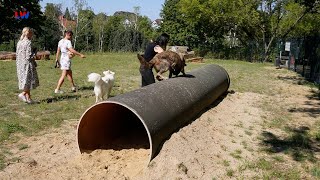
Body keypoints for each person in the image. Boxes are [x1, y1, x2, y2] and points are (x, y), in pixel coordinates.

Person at [16, 27, 39, 104]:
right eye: (31, 33)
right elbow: (29, 56)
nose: (32, 35)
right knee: (28, 81)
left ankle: (29, 99)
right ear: (28, 33)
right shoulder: (28, 42)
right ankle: (23, 94)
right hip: (27, 64)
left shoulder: (19, 42)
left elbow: (18, 54)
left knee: (26, 81)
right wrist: (34, 53)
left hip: (20, 64)